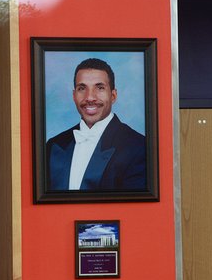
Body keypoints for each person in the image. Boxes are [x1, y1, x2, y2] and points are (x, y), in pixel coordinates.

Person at [46, 57, 147, 191]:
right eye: (82, 88)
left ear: (113, 96)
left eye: (99, 88)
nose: (90, 97)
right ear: (74, 96)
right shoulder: (54, 145)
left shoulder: (139, 147)